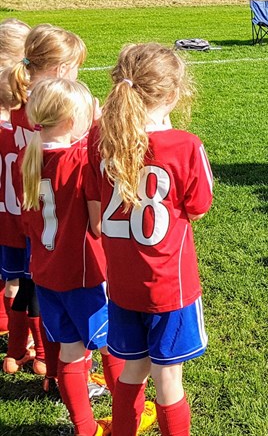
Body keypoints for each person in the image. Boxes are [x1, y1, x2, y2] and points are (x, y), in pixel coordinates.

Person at [87, 43, 206, 436]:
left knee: (133, 369)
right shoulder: (185, 145)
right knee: (168, 378)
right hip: (169, 286)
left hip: (122, 283)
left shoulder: (99, 138)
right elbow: (198, 207)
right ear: (173, 95)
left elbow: (95, 197)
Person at [17, 79, 139, 436]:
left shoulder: (29, 155)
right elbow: (98, 226)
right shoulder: (78, 160)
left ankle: (84, 428)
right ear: (72, 120)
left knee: (70, 351)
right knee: (113, 347)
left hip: (45, 272)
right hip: (84, 274)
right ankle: (125, 418)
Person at [3, 24, 86, 381]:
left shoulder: (19, 103)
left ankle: (18, 352)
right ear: (62, 69)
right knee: (45, 292)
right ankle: (49, 365)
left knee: (25, 285)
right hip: (52, 220)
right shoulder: (54, 109)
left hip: (23, 212)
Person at [0, 18, 30, 348]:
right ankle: (27, 346)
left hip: (3, 216)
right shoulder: (24, 130)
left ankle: (8, 333)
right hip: (21, 220)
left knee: (8, 277)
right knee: (23, 283)